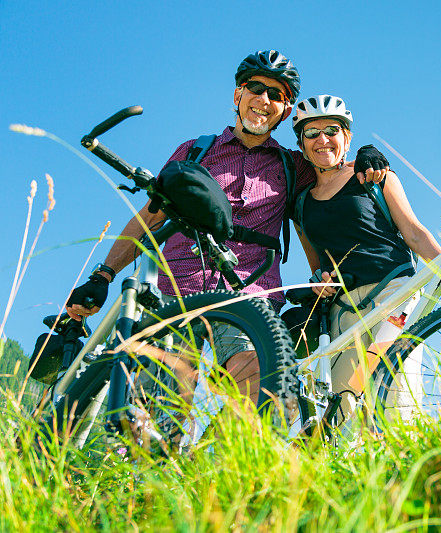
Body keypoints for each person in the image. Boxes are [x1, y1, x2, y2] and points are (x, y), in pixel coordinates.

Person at [63, 51, 390, 407]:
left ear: (285, 109)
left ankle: (226, 461)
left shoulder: (294, 165)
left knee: (260, 389)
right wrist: (104, 274)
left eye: (277, 95)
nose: (264, 100)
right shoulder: (195, 150)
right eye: (256, 87)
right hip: (175, 288)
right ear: (238, 94)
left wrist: (367, 156)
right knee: (160, 406)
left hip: (249, 293)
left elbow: (331, 161)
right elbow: (150, 217)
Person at [291, 95, 441, 425]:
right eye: (311, 133)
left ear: (346, 136)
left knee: (394, 386)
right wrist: (320, 281)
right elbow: (316, 265)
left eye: (332, 129)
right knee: (342, 405)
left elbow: (413, 232)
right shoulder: (301, 205)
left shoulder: (376, 177)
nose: (322, 139)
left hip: (396, 293)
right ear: (301, 142)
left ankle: (412, 467)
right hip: (344, 311)